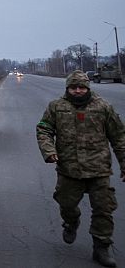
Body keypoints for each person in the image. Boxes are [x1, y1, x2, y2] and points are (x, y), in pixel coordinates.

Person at [37, 70, 125, 267]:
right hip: (69, 168)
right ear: (67, 88)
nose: (78, 90)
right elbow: (44, 129)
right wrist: (48, 150)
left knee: (104, 208)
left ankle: (102, 246)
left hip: (99, 168)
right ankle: (71, 222)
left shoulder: (103, 107)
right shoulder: (56, 107)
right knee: (66, 204)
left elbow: (119, 137)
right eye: (73, 87)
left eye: (82, 87)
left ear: (88, 88)